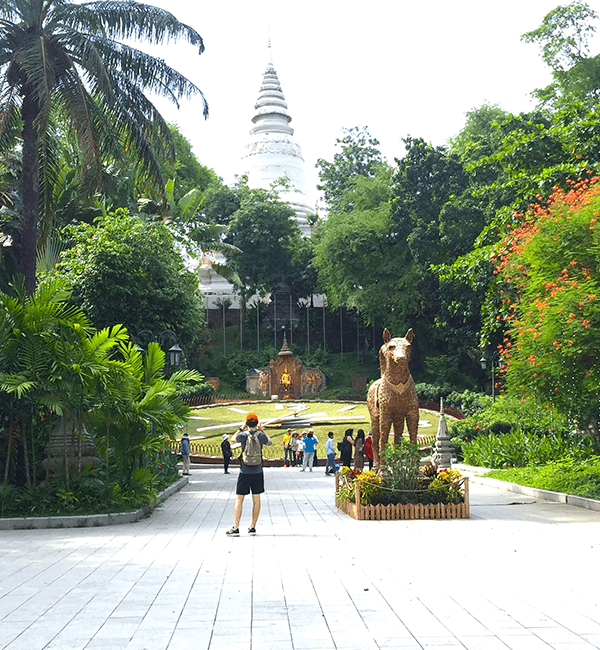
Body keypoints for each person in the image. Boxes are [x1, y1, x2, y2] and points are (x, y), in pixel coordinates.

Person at [226, 412, 272, 537]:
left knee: (239, 499)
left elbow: (232, 439)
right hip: (258, 471)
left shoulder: (243, 435)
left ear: (247, 423)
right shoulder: (261, 435)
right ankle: (252, 527)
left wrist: (241, 428)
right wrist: (262, 430)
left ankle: (236, 527)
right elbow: (270, 442)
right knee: (256, 499)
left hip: (244, 471)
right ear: (257, 423)